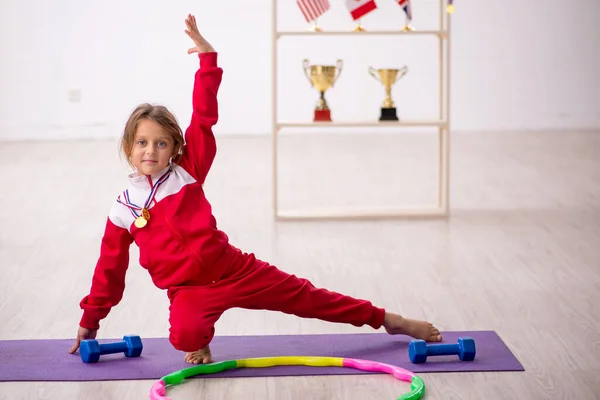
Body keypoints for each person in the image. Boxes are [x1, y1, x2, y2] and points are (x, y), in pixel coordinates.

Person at [68, 14, 442, 365]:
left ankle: (390, 320)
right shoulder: (123, 210)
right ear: (128, 147)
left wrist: (208, 60)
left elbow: (204, 116)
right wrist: (91, 320)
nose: (151, 151)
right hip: (189, 292)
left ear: (175, 148)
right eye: (142, 143)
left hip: (235, 269)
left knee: (309, 297)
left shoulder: (188, 171)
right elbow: (109, 271)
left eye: (161, 143)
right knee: (183, 336)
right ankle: (200, 340)